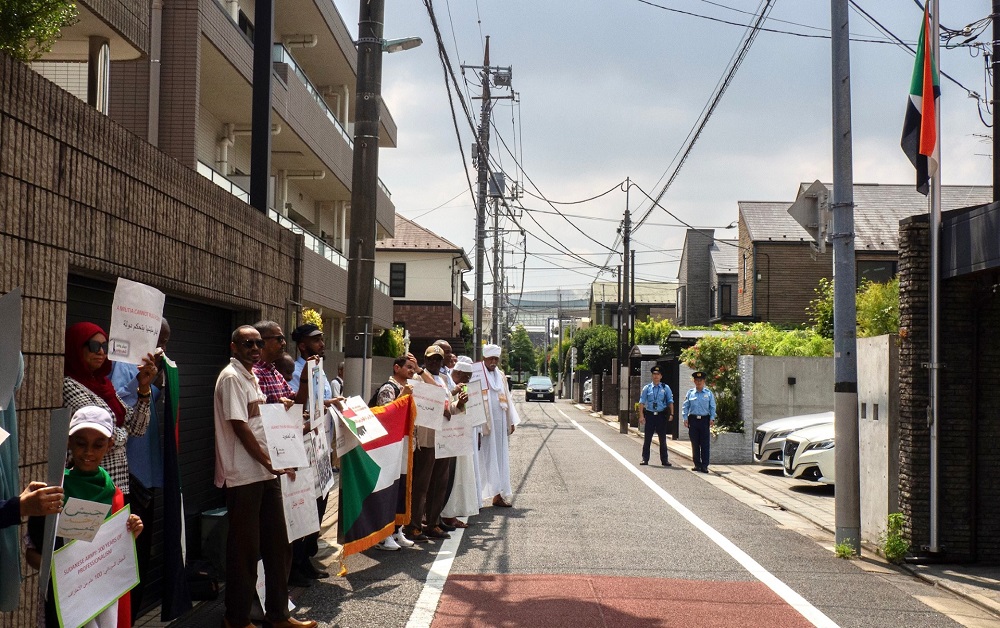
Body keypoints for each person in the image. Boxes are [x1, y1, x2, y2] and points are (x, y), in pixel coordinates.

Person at [213, 325, 316, 628]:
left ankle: (278, 615)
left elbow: (274, 419)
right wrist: (268, 461)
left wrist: (306, 383)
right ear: (234, 347)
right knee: (245, 550)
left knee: (278, 544)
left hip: (266, 470)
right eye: (248, 343)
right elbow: (239, 426)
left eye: (258, 343)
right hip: (244, 474)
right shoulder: (232, 378)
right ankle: (237, 618)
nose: (255, 348)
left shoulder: (253, 376)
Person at [26, 405, 144, 627]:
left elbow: (115, 552)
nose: (88, 452)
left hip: (105, 599)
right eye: (81, 443)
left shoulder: (115, 495)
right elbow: (32, 552)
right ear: (69, 441)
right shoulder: (53, 493)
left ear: (110, 445)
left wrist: (131, 533)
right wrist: (60, 569)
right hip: (64, 601)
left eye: (98, 445)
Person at [110, 318, 171, 618]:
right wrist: (143, 383)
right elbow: (116, 407)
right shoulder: (118, 363)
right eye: (159, 339)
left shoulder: (158, 368)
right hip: (125, 479)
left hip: (147, 478)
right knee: (123, 561)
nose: (162, 347)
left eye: (166, 342)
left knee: (141, 560)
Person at [64, 322, 157, 501]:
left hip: (115, 484)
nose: (101, 352)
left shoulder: (104, 385)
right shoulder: (70, 385)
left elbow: (138, 428)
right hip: (89, 486)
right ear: (76, 348)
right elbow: (107, 436)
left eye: (104, 347)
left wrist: (143, 389)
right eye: (93, 346)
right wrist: (119, 432)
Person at [287, 324, 333, 585]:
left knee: (321, 503)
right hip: (303, 448)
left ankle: (308, 558)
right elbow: (300, 403)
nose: (321, 344)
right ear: (302, 345)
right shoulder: (295, 370)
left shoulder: (320, 371)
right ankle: (296, 563)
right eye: (315, 340)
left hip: (321, 446)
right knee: (303, 505)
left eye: (322, 339)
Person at [403, 345, 454, 542]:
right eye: (431, 359)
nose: (434, 362)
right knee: (421, 484)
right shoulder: (416, 378)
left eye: (438, 360)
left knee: (439, 483)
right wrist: (420, 371)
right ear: (424, 360)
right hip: (425, 439)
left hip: (444, 438)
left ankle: (433, 523)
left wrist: (456, 405)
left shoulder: (442, 379)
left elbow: (446, 403)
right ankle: (414, 526)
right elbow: (434, 393)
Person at [371, 355, 416, 551]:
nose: (412, 371)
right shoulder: (389, 388)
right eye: (408, 367)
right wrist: (403, 396)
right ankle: (383, 534)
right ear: (396, 368)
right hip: (389, 447)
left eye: (413, 368)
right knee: (388, 488)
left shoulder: (409, 388)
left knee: (400, 488)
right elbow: (386, 414)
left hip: (403, 445)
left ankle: (397, 530)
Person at [479, 344, 520, 508]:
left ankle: (498, 495)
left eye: (496, 359)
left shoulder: (501, 375)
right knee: (482, 459)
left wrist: (510, 420)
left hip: (500, 424)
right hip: (483, 425)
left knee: (500, 458)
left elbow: (507, 399)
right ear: (484, 358)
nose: (493, 362)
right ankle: (478, 498)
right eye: (491, 359)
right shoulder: (477, 373)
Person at [441, 358, 479, 529]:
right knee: (450, 477)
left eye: (469, 378)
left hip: (463, 436)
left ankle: (453, 513)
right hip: (449, 438)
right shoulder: (446, 383)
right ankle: (447, 515)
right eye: (466, 377)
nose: (468, 381)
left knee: (460, 476)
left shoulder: (460, 386)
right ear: (457, 373)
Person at [638, 365, 674, 467]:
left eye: (658, 374)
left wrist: (672, 413)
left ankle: (665, 460)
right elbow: (642, 402)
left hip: (661, 415)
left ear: (661, 376)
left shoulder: (665, 388)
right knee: (647, 438)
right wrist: (641, 416)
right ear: (652, 376)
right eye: (654, 374)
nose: (656, 376)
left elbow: (670, 401)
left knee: (662, 439)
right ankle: (645, 459)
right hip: (650, 415)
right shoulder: (647, 388)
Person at [682, 371, 717, 473]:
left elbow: (712, 407)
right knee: (695, 443)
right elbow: (685, 406)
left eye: (700, 380)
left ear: (704, 381)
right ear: (694, 381)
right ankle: (697, 464)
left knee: (705, 444)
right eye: (696, 380)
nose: (698, 382)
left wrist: (712, 418)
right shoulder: (690, 393)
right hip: (693, 420)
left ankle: (705, 465)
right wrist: (685, 418)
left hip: (704, 420)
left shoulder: (708, 393)